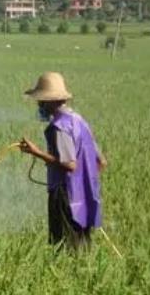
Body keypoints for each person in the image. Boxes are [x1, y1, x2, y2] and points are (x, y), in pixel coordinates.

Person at [19, 72, 107, 252]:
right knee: (81, 246)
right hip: (84, 194)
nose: (39, 105)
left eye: (41, 101)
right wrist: (85, 184)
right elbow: (101, 161)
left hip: (65, 195)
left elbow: (69, 164)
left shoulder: (58, 127)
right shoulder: (79, 120)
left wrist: (36, 152)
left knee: (65, 248)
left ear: (49, 101)